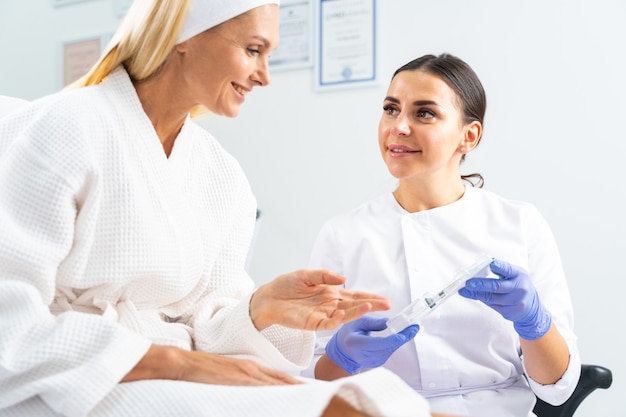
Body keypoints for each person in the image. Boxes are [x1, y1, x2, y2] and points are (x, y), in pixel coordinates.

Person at [0, 1, 444, 416]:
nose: (264, 76)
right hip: (70, 377)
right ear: (183, 35)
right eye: (253, 50)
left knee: (386, 401)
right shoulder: (67, 127)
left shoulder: (221, 174)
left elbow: (204, 328)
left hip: (167, 369)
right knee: (330, 410)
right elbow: (10, 323)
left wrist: (262, 308)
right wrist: (176, 363)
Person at [304, 53, 581, 417]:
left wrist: (533, 323)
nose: (398, 127)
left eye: (424, 113)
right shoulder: (344, 235)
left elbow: (559, 389)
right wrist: (341, 357)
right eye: (390, 109)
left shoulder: (519, 224)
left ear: (469, 136)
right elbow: (310, 390)